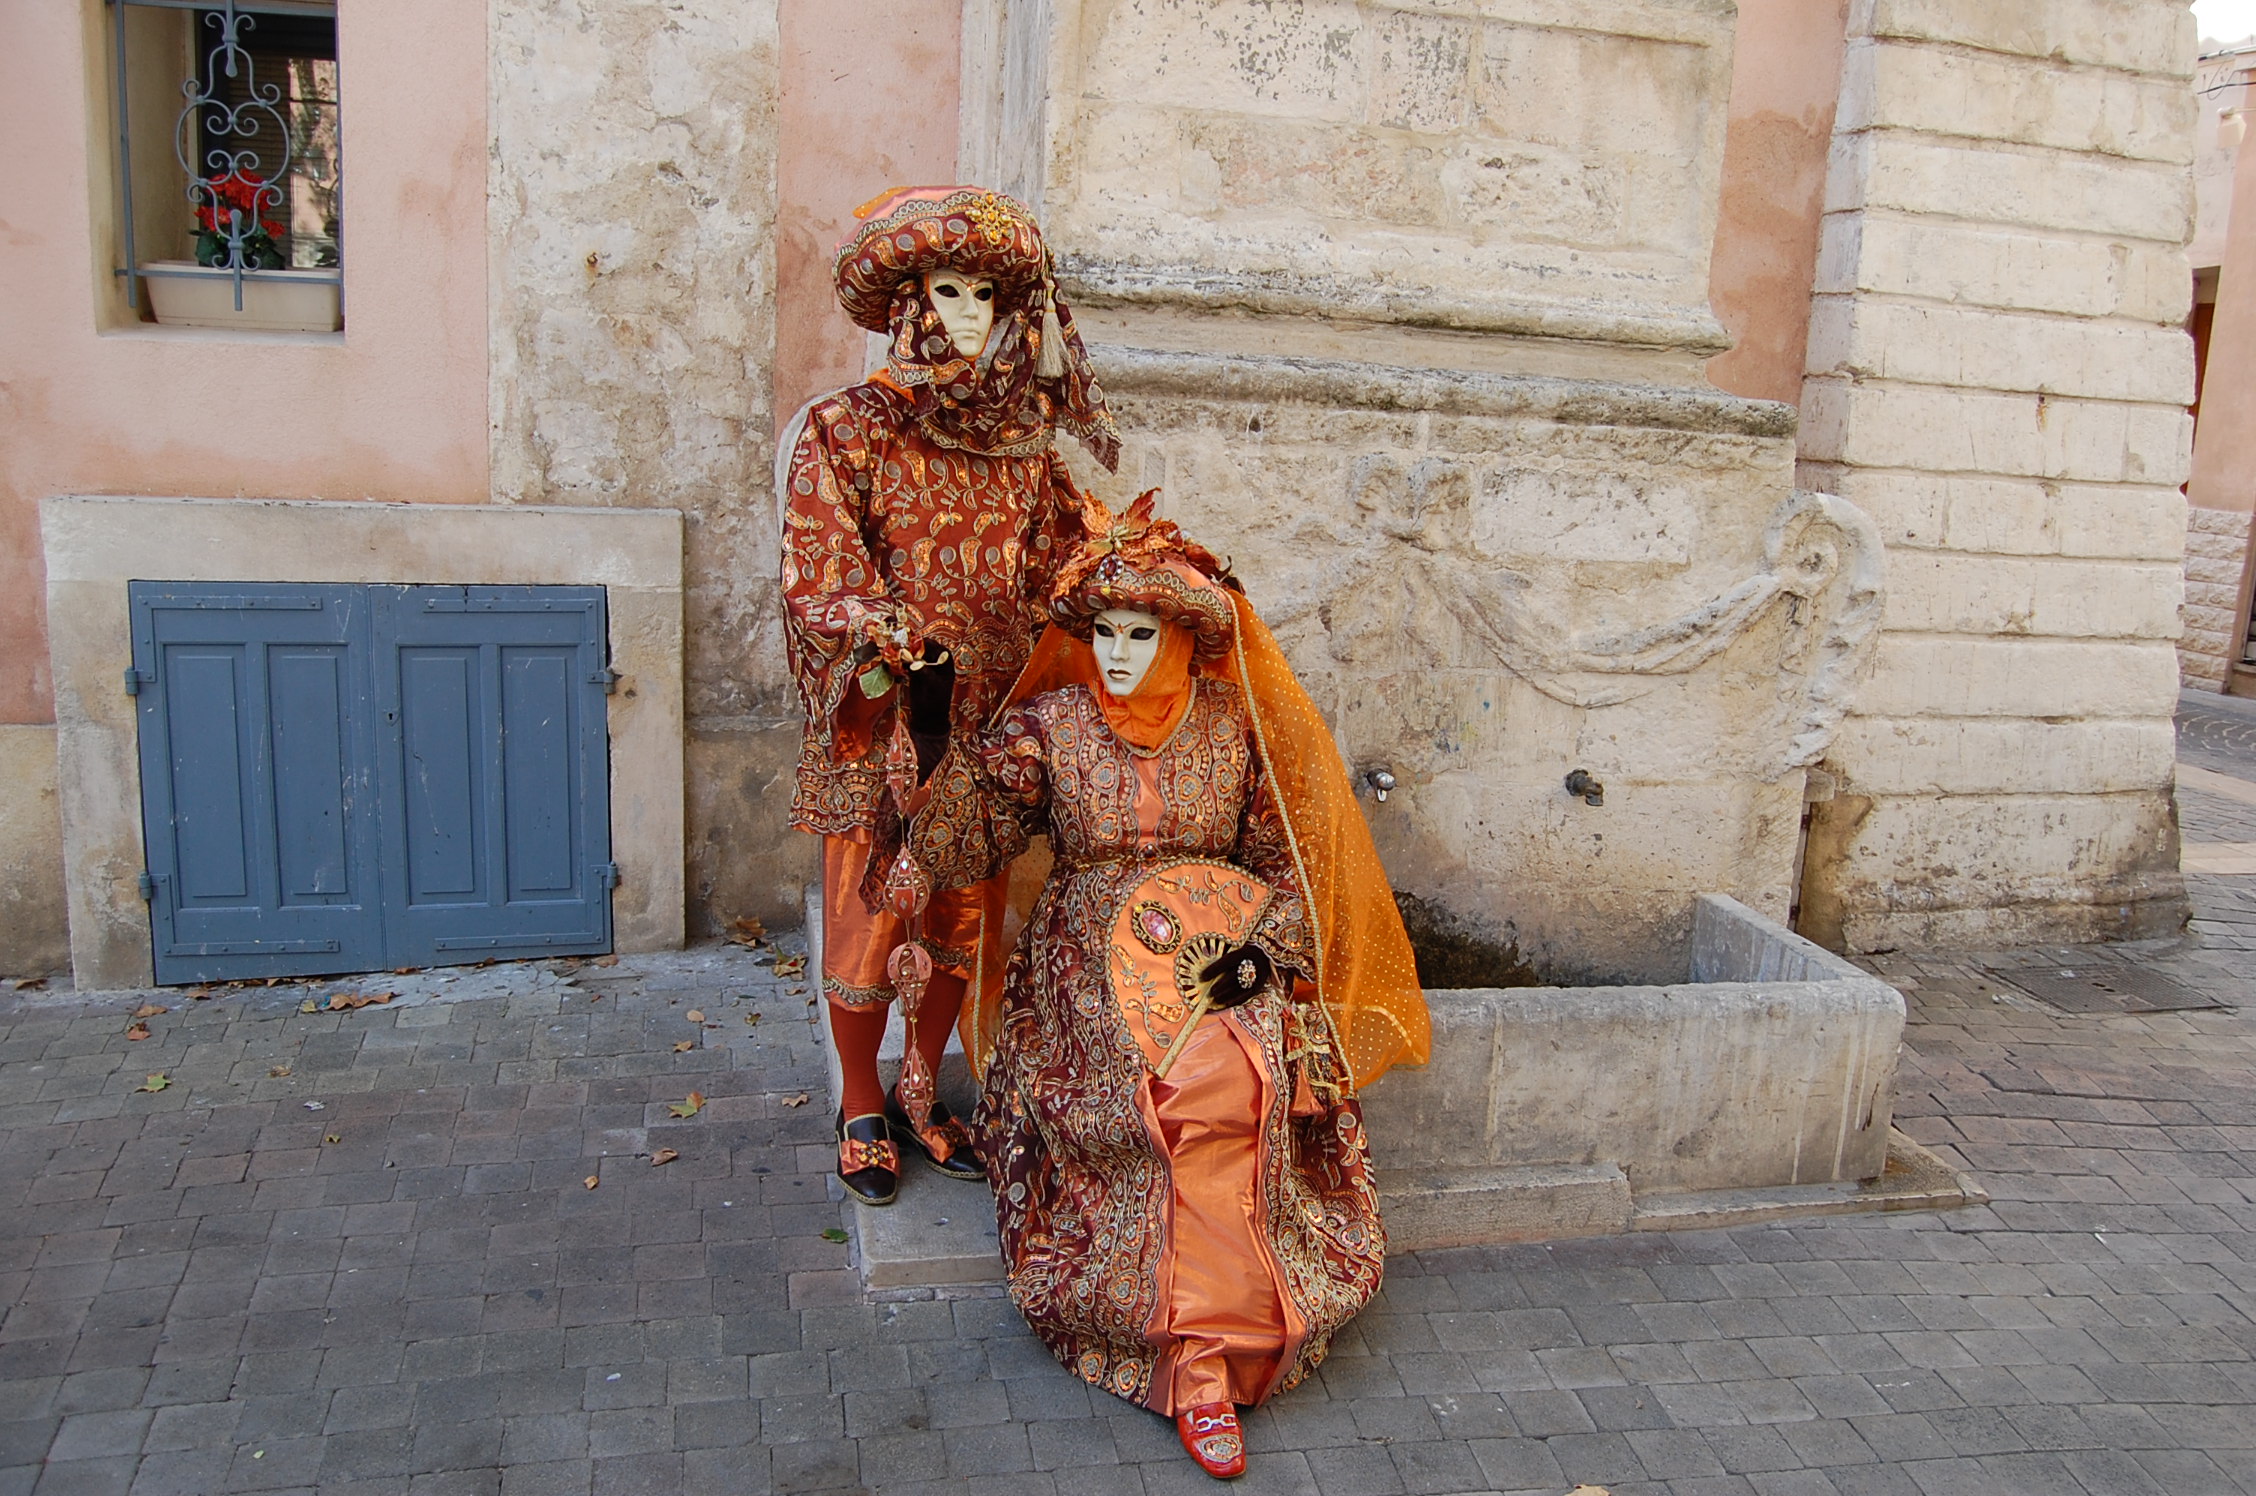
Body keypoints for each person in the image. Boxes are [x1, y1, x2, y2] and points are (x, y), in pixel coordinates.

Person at [911, 493, 1431, 1479]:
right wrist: (938, 736)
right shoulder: (1050, 727)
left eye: (1137, 630)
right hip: (1081, 962)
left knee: (1237, 1078)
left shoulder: (1236, 728)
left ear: (1181, 634)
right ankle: (1196, 1366)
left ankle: (1220, 1333)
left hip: (1222, 957)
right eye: (1100, 630)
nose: (1113, 651)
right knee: (1175, 1096)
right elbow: (954, 848)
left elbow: (1287, 866)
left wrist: (1259, 949)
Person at [779, 186, 1120, 1206]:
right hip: (888, 718)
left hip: (987, 728)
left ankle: (927, 1094)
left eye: (985, 293)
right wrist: (884, 631)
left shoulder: (1026, 447)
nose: (968, 312)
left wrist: (1142, 576)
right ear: (908, 302)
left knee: (965, 919)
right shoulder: (848, 431)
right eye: (948, 289)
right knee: (871, 924)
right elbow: (819, 568)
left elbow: (1069, 562)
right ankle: (859, 1100)